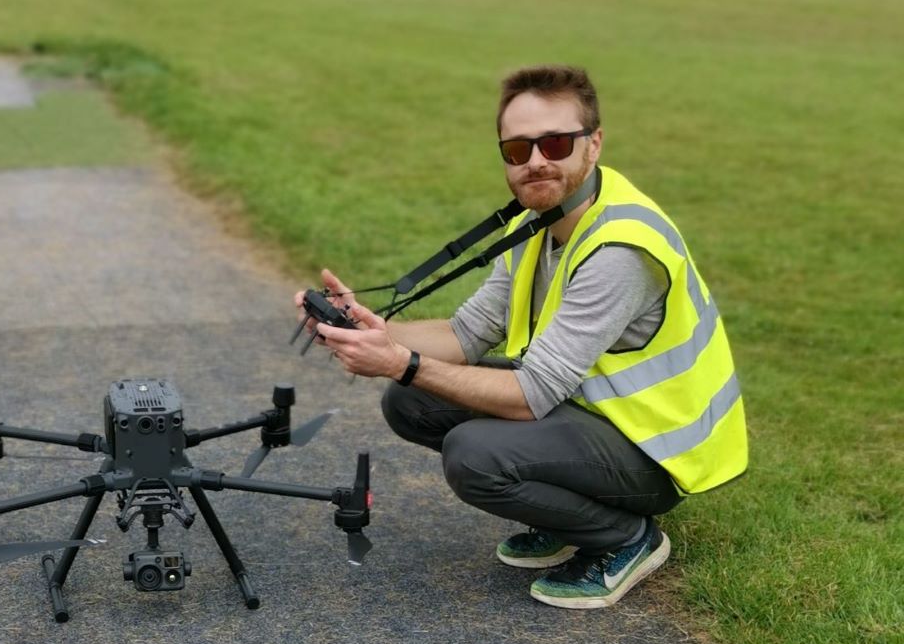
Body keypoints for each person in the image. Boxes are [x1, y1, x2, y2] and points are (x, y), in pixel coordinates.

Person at [297, 65, 746, 609]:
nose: (536, 161)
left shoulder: (620, 250)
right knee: (411, 400)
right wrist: (373, 331)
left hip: (659, 451)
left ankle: (625, 538)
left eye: (555, 143)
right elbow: (466, 333)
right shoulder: (539, 222)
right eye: (517, 149)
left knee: (473, 454)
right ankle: (562, 511)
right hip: (595, 413)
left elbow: (532, 394)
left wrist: (398, 361)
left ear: (594, 144)